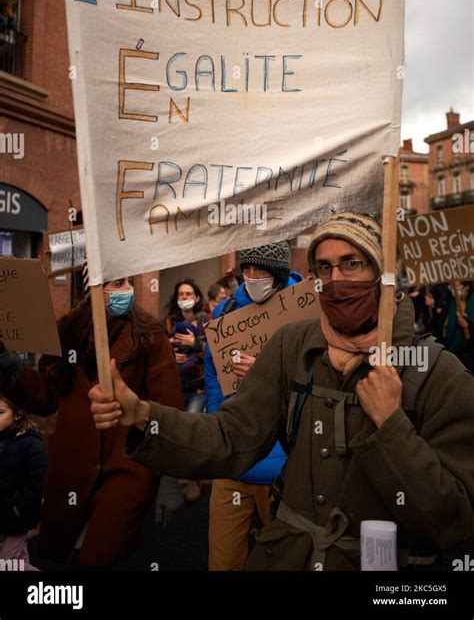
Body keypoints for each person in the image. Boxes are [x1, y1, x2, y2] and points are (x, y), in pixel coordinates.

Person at [89, 212, 474, 571]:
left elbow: (452, 518)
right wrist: (143, 415)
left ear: (382, 273)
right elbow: (229, 436)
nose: (336, 278)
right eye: (324, 267)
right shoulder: (292, 346)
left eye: (352, 263)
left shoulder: (437, 374)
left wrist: (391, 426)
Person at [0, 271, 184, 568]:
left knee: (100, 556)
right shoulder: (68, 331)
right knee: (57, 555)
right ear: (93, 288)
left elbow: (169, 408)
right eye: (117, 283)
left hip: (127, 468)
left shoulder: (149, 335)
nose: (127, 290)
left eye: (129, 282)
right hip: (72, 468)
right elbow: (46, 397)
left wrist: (170, 479)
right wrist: (8, 365)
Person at [204, 242, 303, 570]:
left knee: (282, 560)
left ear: (277, 275)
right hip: (232, 460)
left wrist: (265, 372)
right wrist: (219, 421)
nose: (252, 277)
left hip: (286, 466)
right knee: (223, 560)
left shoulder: (303, 312)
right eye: (247, 269)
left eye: (260, 271)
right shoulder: (226, 312)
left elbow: (318, 380)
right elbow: (212, 373)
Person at [163, 279, 209, 502]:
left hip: (198, 388)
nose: (184, 298)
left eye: (188, 293)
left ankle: (192, 480)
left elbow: (215, 351)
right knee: (175, 431)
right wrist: (171, 356)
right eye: (181, 294)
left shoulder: (205, 322)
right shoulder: (169, 322)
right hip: (175, 388)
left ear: (197, 297)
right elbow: (159, 350)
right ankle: (178, 479)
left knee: (191, 430)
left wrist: (195, 344)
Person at [0, 393, 47, 571]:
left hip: (19, 517)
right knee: (17, 561)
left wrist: (19, 505)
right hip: (5, 516)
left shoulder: (30, 443)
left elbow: (39, 479)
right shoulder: (3, 440)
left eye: (0, 412)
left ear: (17, 414)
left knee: (6, 565)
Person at [444, 281, 474, 373]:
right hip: (452, 353)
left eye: (455, 285)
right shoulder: (450, 302)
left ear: (466, 287)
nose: (452, 287)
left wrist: (468, 325)